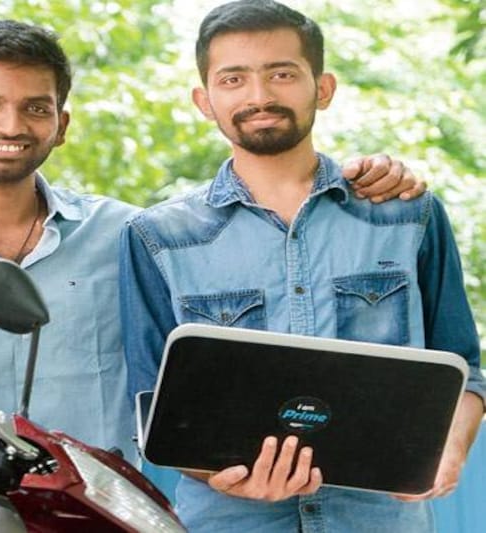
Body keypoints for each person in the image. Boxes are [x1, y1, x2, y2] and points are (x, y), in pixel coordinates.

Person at [0, 18, 427, 532]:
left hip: (99, 522)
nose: (10, 126)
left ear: (61, 126)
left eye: (34, 108)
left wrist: (359, 176)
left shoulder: (133, 235)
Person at [118, 1, 486, 532]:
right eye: (233, 79)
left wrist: (448, 451)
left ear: (324, 87)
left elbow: (463, 370)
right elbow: (154, 409)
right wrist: (219, 474)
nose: (259, 96)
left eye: (282, 74)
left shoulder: (409, 216)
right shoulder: (157, 238)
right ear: (205, 100)